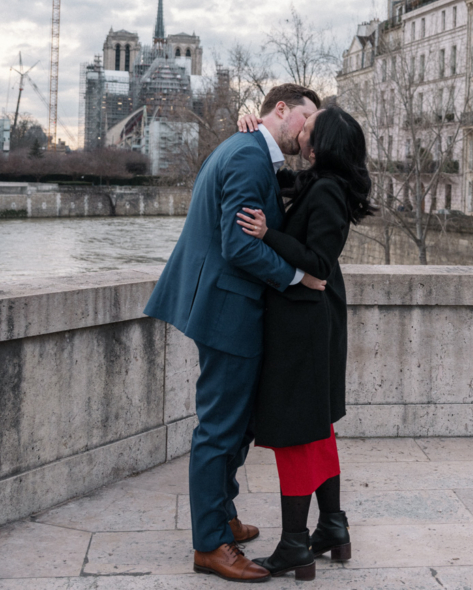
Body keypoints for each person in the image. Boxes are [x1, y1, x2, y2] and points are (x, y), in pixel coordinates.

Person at [144, 84, 323, 582]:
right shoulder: (247, 156)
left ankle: (220, 516)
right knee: (220, 429)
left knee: (235, 424)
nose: (307, 132)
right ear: (280, 110)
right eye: (305, 120)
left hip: (226, 305)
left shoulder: (247, 149)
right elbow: (239, 245)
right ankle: (210, 545)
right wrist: (297, 277)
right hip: (227, 309)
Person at [233, 105, 376, 579]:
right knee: (317, 430)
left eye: (309, 130)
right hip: (310, 322)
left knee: (296, 432)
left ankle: (295, 542)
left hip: (306, 327)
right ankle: (332, 526)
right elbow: (277, 177)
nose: (300, 134)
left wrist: (268, 233)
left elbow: (317, 261)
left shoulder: (330, 192)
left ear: (324, 142)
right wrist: (251, 129)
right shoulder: (320, 183)